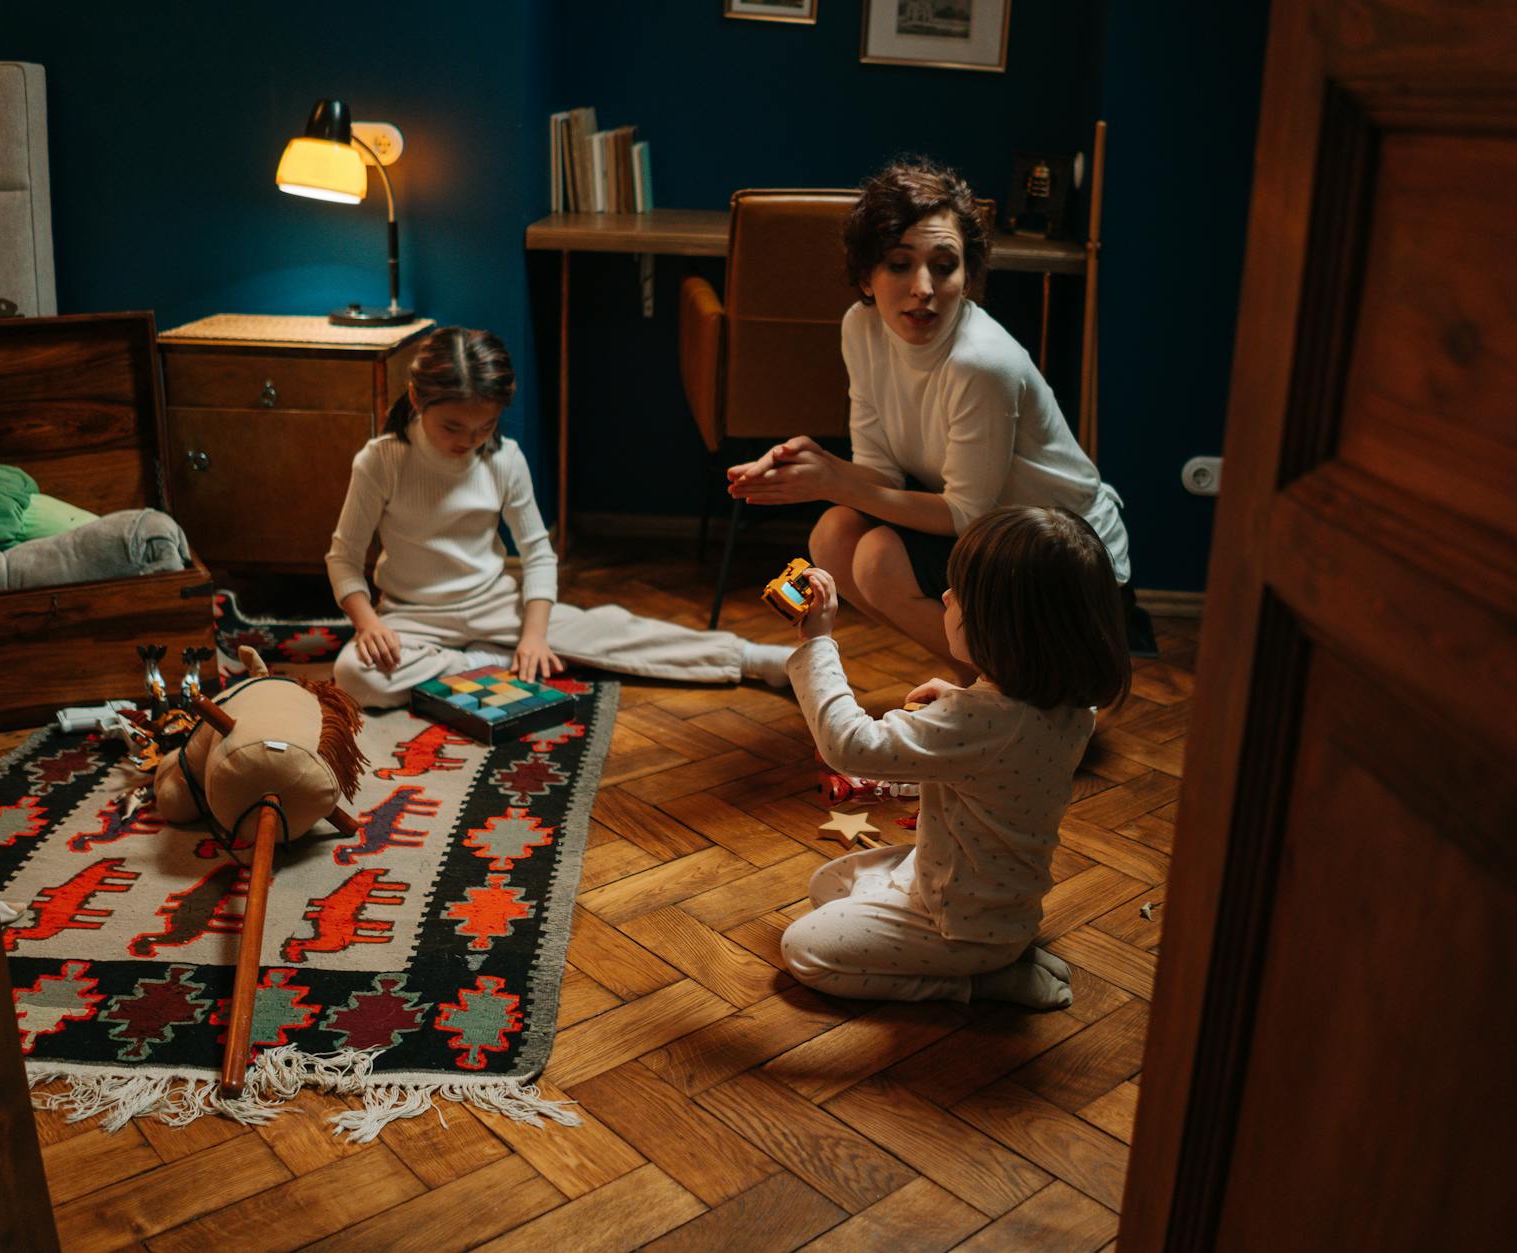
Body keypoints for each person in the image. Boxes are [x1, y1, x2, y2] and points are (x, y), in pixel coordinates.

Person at [726, 158, 1132, 678]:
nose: (923, 287)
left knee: (877, 558)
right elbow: (881, 473)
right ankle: (983, 681)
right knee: (833, 535)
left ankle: (1031, 697)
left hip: (1065, 560)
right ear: (866, 278)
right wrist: (812, 464)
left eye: (944, 266)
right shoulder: (862, 328)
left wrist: (835, 482)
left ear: (968, 276)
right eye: (899, 264)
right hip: (992, 532)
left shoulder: (981, 362)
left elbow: (965, 513)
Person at [326, 326, 791, 707]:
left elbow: (537, 556)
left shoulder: (505, 458)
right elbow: (344, 558)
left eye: (484, 426)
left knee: (610, 630)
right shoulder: (381, 460)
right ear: (416, 396)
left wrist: (532, 637)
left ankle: (750, 658)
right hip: (412, 617)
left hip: (494, 607)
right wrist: (369, 623)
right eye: (453, 427)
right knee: (354, 675)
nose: (470, 440)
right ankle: (480, 662)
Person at [779, 505, 1130, 1008]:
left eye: (959, 593)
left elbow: (847, 746)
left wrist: (818, 643)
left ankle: (978, 983)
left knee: (805, 949)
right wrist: (958, 698)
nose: (944, 595)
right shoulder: (1072, 704)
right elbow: (1003, 751)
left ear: (1002, 629)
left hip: (960, 926)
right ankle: (1006, 955)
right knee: (828, 884)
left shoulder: (979, 722)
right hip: (990, 901)